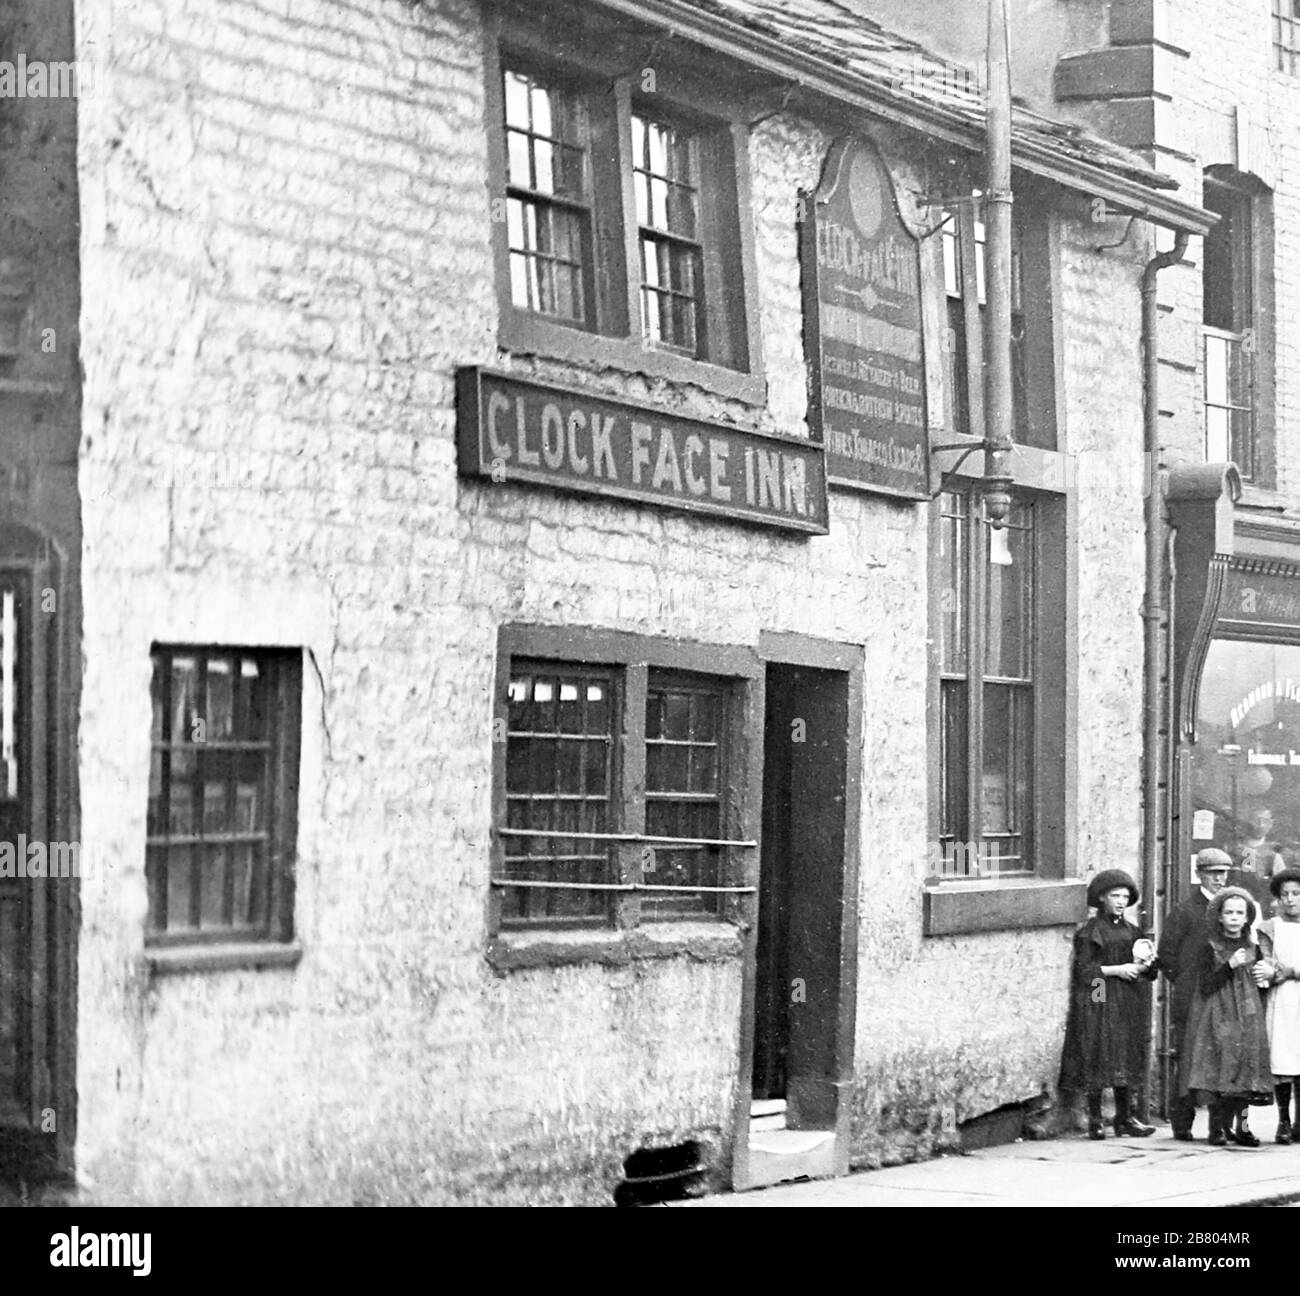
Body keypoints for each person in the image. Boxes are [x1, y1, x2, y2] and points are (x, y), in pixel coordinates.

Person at [1060, 868, 1157, 1139]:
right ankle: (1095, 1118)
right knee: (1098, 1050)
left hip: (1128, 998)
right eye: (1115, 895)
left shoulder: (1133, 930)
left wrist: (1148, 964)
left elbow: (1148, 973)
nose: (1121, 901)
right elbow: (1086, 973)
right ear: (1102, 898)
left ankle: (1125, 1118)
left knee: (1126, 1052)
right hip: (1100, 994)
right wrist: (1117, 969)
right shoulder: (1092, 932)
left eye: (1125, 896)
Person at [1180, 886, 1273, 1146]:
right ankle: (1216, 1128)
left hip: (1248, 1015)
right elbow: (1207, 984)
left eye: (1239, 913)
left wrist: (1266, 974)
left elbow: (1263, 982)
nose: (1234, 917)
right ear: (1219, 917)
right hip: (1219, 1015)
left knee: (1245, 1070)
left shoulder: (1255, 947)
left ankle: (1242, 1127)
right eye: (1228, 912)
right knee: (1219, 1069)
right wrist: (1229, 966)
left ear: (1247, 918)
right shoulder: (1209, 947)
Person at [1155, 848, 1232, 1140]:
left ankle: (1218, 1126)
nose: (1219, 879)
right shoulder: (1186, 911)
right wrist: (1187, 983)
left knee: (1221, 1061)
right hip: (1192, 1000)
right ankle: (1182, 1122)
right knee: (1187, 1060)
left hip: (1223, 1000)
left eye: (1223, 873)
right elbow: (1167, 955)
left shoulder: (1231, 909)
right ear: (1200, 874)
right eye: (1213, 873)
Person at [1255, 868, 1300, 1142]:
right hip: (1282, 1000)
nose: (1291, 900)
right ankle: (1283, 1120)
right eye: (1285, 895)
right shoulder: (1270, 928)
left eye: (1296, 894)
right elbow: (1264, 961)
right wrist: (1270, 971)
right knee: (1283, 1060)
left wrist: (1292, 971)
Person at [1230, 808, 1283, 909]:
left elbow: (1282, 883)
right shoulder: (1236, 850)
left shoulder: (1274, 853)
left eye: (1265, 821)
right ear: (1248, 823)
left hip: (1266, 905)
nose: (1260, 825)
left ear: (1271, 825)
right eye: (1256, 821)